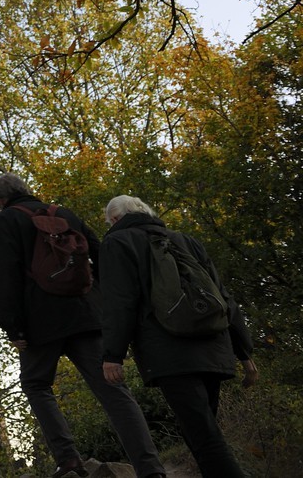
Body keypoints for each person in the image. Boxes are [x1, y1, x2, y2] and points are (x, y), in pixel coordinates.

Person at [0, 174, 165, 478]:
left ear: (1, 200)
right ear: (27, 191)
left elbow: (4, 278)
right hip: (87, 314)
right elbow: (100, 253)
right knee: (114, 390)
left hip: (39, 324)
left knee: (36, 384)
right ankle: (151, 469)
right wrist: (102, 301)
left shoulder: (6, 222)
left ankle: (68, 459)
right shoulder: (64, 213)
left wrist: (12, 328)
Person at [99, 195, 259, 478]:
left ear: (114, 220)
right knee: (203, 428)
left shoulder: (117, 243)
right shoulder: (186, 240)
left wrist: (113, 355)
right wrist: (243, 352)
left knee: (202, 433)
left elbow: (119, 301)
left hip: (169, 350)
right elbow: (223, 294)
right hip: (214, 343)